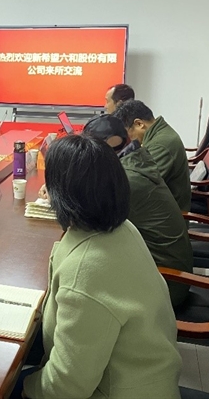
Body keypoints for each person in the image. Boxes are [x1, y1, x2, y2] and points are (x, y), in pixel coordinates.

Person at [19, 134, 180, 399]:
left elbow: (66, 387)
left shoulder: (85, 269)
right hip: (147, 377)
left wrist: (25, 388)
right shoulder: (123, 228)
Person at [83, 114, 193, 307]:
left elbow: (91, 220)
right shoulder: (136, 160)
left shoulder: (128, 180)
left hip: (166, 284)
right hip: (163, 269)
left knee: (83, 275)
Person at [113, 100, 191, 212]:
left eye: (127, 132)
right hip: (159, 204)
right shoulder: (159, 134)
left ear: (139, 124)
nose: (128, 139)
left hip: (165, 213)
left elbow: (140, 183)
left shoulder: (160, 145)